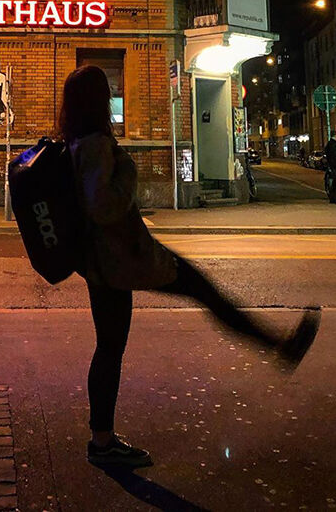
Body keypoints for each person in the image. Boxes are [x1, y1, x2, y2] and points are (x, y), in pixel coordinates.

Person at [60, 65, 321, 469]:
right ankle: (279, 346)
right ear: (97, 101)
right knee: (205, 293)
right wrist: (127, 172)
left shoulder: (75, 142)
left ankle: (102, 440)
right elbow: (104, 207)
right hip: (127, 260)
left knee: (111, 346)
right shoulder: (94, 144)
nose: (111, 96)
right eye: (106, 92)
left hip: (106, 265)